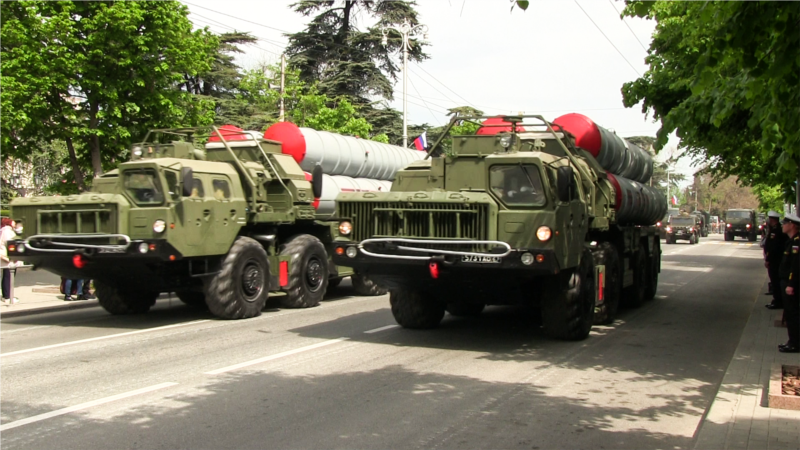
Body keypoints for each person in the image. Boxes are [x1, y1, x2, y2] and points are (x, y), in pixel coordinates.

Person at [778, 213, 800, 353]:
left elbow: (796, 266)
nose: (783, 225)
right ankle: (792, 341)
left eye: (785, 223)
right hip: (786, 282)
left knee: (793, 314)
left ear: (792, 225)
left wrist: (791, 284)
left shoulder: (796, 243)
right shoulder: (791, 241)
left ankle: (795, 343)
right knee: (790, 314)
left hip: (791, 284)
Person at [765, 211, 787, 309]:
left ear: (772, 219)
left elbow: (773, 247)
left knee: (775, 280)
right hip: (775, 260)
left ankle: (778, 301)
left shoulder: (776, 231)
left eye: (769, 219)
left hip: (775, 260)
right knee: (774, 280)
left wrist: (768, 259)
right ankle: (776, 300)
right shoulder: (775, 229)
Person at [0, 218, 19, 304]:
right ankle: (8, 296)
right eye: (13, 221)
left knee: (7, 276)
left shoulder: (4, 230)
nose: (14, 223)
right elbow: (10, 244)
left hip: (6, 256)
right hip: (8, 257)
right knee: (9, 276)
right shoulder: (7, 231)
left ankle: (6, 295)